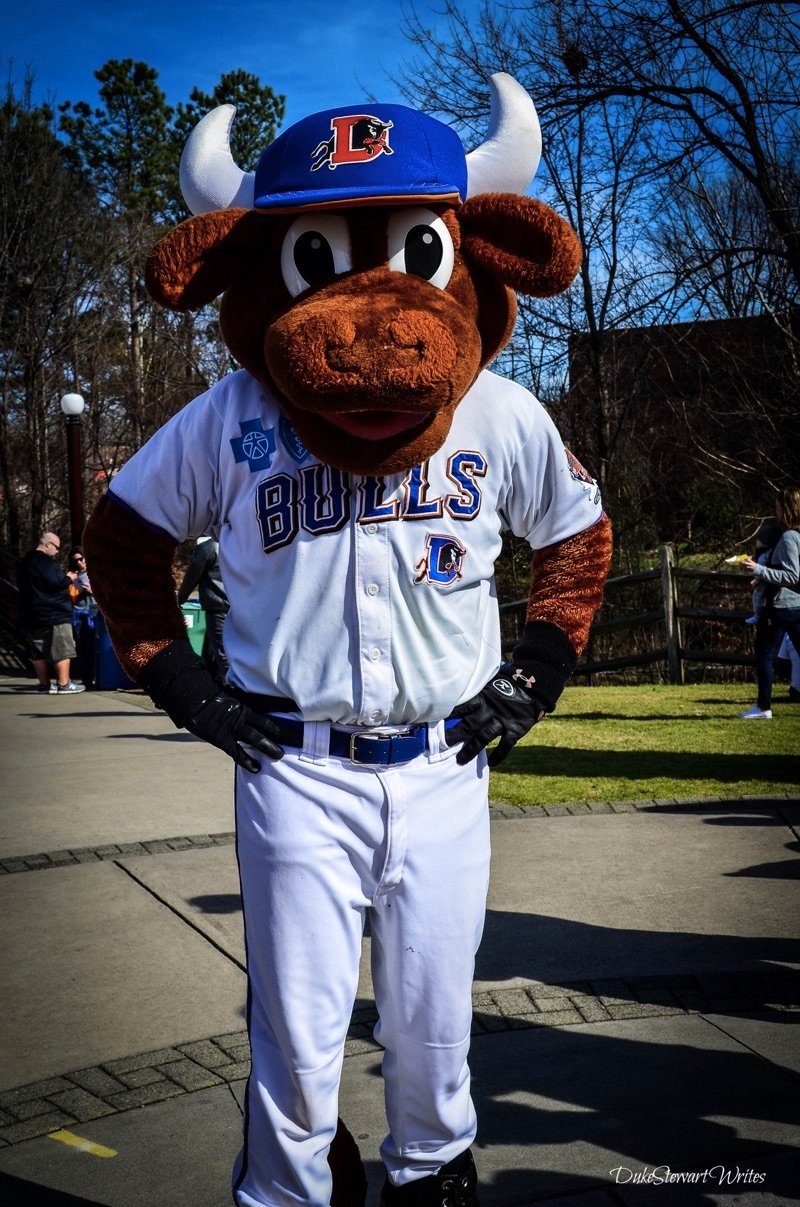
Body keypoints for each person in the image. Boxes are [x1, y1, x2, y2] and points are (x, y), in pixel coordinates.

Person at [84, 79, 612, 1207]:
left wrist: (539, 668)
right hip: (293, 763)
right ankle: (284, 1194)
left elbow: (577, 535)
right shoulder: (232, 412)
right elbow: (121, 540)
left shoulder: (498, 410)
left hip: (443, 764)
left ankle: (430, 1176)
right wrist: (179, 682)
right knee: (297, 1024)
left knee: (431, 1017)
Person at [740, 487, 800, 719]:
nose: (775, 510)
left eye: (777, 506)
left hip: (782, 606)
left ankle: (764, 706)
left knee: (763, 653)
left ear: (786, 508)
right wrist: (762, 576)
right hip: (795, 605)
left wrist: (759, 569)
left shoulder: (788, 538)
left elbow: (792, 575)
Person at [17, 532, 86, 694]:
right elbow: (56, 583)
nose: (57, 552)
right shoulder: (45, 562)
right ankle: (64, 684)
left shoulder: (25, 561)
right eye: (56, 548)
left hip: (31, 614)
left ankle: (44, 684)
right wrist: (68, 578)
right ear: (48, 544)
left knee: (38, 650)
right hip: (54, 613)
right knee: (62, 649)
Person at [177, 535, 230, 680]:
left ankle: (233, 689)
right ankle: (213, 683)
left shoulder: (208, 547)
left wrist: (180, 599)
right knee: (212, 650)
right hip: (236, 606)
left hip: (217, 606)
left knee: (221, 652)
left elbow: (192, 576)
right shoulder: (239, 546)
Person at [745, 522, 781, 624]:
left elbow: (761, 569)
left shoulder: (764, 555)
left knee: (758, 597)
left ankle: (757, 615)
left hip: (764, 584)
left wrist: (756, 581)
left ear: (765, 540)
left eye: (759, 539)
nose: (756, 541)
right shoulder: (773, 552)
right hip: (770, 583)